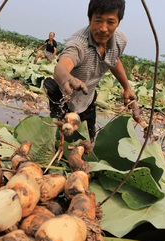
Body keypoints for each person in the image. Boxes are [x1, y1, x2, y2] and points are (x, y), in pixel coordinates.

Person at [44, 0, 136, 142]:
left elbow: (114, 60)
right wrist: (67, 79)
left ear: (118, 23)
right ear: (89, 19)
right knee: (60, 140)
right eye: (98, 21)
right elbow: (61, 67)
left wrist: (127, 87)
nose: (103, 28)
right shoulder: (78, 44)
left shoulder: (120, 40)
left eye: (111, 22)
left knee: (87, 142)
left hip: (87, 98)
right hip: (64, 98)